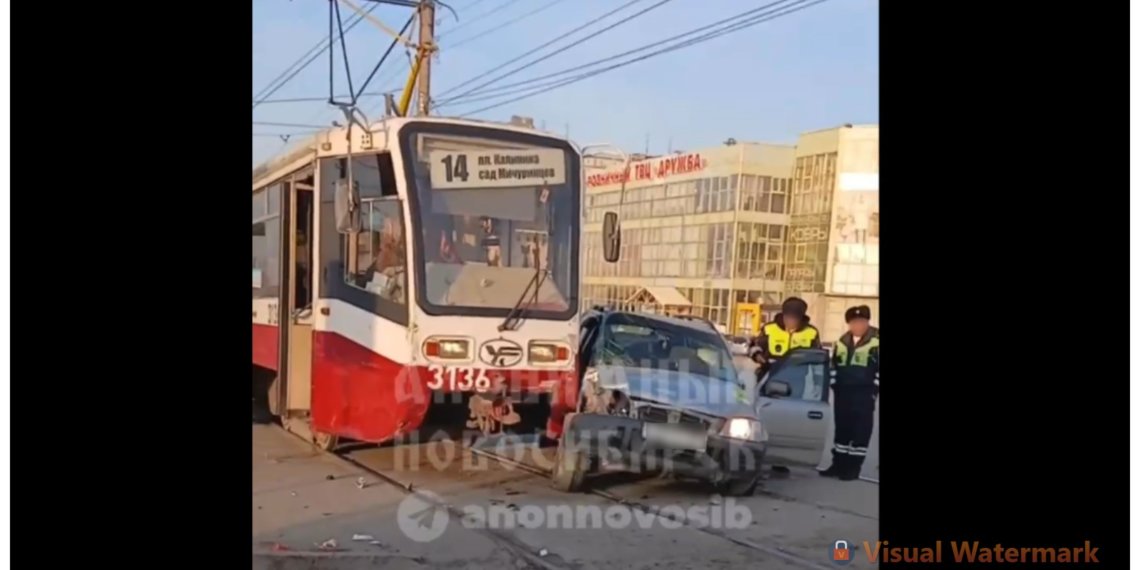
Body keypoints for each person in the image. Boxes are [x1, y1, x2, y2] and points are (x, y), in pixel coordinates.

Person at [821, 305, 879, 481]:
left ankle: (853, 468)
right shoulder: (842, 341)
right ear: (849, 324)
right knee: (842, 429)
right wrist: (833, 383)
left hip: (864, 392)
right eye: (854, 322)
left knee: (860, 430)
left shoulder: (876, 341)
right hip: (843, 391)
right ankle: (838, 464)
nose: (858, 325)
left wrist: (874, 388)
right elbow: (833, 365)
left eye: (861, 322)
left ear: (867, 322)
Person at [749, 297, 821, 376]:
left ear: (801, 318)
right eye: (788, 317)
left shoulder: (811, 332)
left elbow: (817, 355)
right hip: (770, 374)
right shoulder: (769, 329)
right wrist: (759, 357)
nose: (790, 321)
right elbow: (755, 347)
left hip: (798, 377)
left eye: (794, 318)